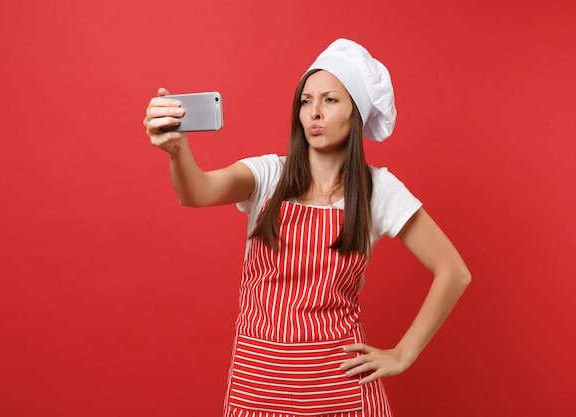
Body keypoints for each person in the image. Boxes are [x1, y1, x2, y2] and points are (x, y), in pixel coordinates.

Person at [144, 38, 471, 417]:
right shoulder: (268, 174)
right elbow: (197, 192)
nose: (314, 112)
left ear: (356, 113)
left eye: (330, 100)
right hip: (258, 387)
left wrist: (403, 354)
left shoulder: (377, 190)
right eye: (305, 100)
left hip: (339, 390)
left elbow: (454, 271)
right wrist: (178, 150)